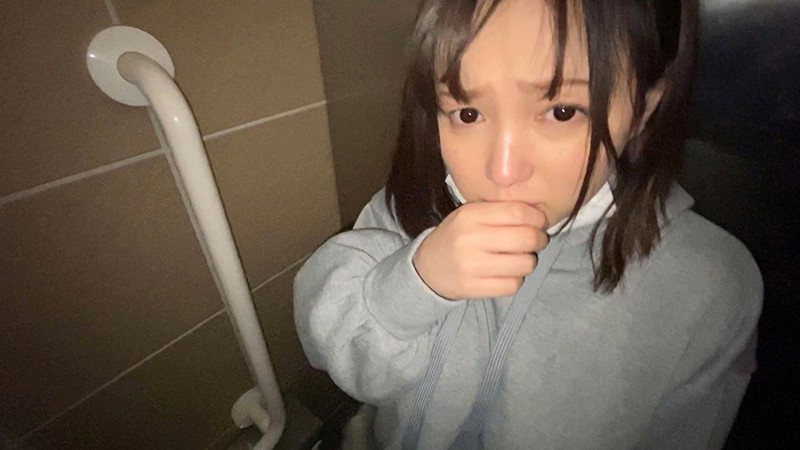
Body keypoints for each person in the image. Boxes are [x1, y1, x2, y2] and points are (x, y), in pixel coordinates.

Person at [294, 0, 763, 448]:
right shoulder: (411, 207)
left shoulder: (708, 285)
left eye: (562, 111)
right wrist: (413, 287)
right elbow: (333, 352)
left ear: (642, 110)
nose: (502, 171)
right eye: (468, 113)